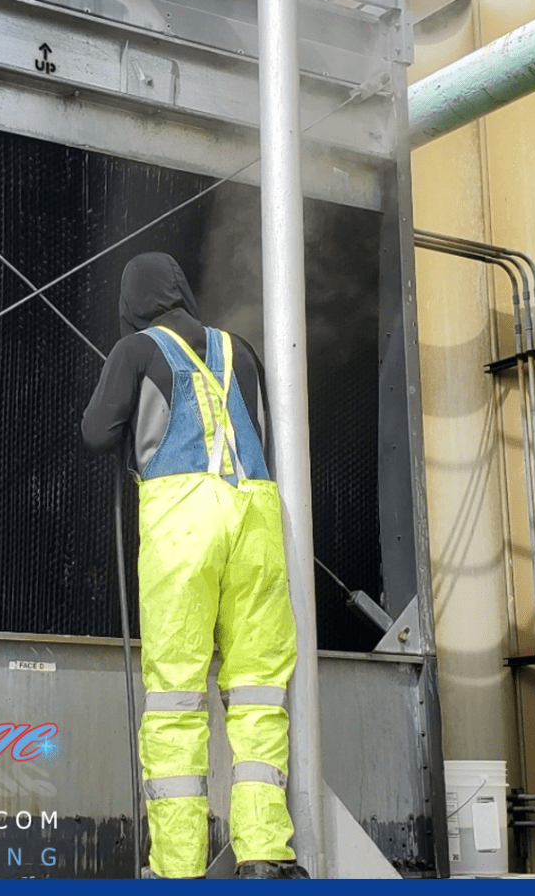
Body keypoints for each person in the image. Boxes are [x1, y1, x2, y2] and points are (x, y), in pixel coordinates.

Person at [81, 252, 308, 880]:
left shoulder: (136, 350)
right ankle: (265, 853)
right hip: (256, 514)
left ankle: (179, 867)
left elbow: (97, 432)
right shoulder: (242, 350)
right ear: (180, 290)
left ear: (132, 302)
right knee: (260, 687)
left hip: (182, 520)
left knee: (176, 695)